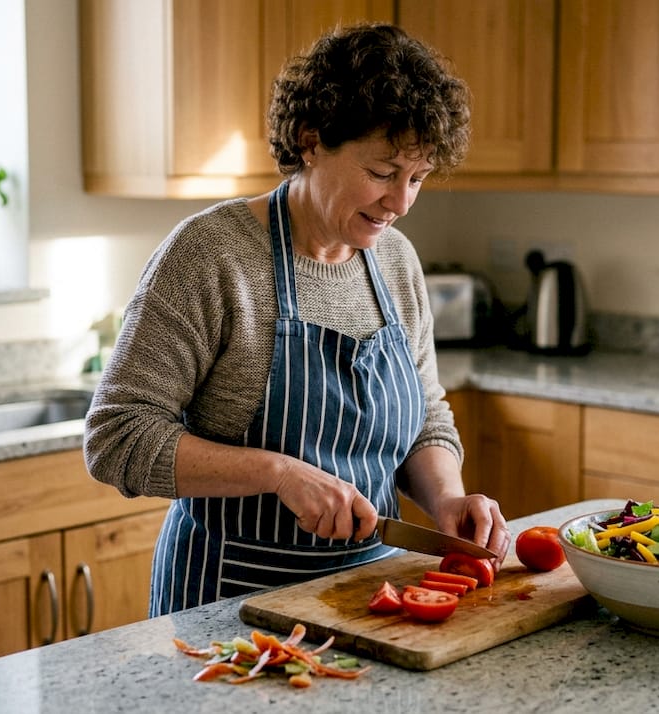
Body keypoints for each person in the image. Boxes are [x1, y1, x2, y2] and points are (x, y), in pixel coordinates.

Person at [84, 23, 510, 615]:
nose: (402, 202)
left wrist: (447, 499)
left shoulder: (396, 261)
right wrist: (279, 473)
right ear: (311, 141)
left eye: (418, 178)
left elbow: (425, 416)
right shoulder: (212, 255)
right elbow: (116, 437)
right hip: (223, 605)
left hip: (368, 599)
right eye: (383, 173)